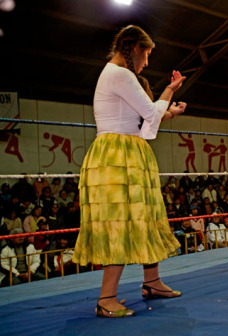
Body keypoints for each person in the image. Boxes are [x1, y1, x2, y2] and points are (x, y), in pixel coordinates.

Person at [71, 25, 187, 318]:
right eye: (146, 55)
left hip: (125, 150)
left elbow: (146, 125)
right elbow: (150, 114)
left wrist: (168, 106)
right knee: (119, 223)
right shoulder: (120, 74)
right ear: (134, 48)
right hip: (119, 154)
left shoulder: (116, 75)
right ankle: (107, 298)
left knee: (144, 216)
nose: (147, 63)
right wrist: (169, 91)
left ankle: (152, 282)